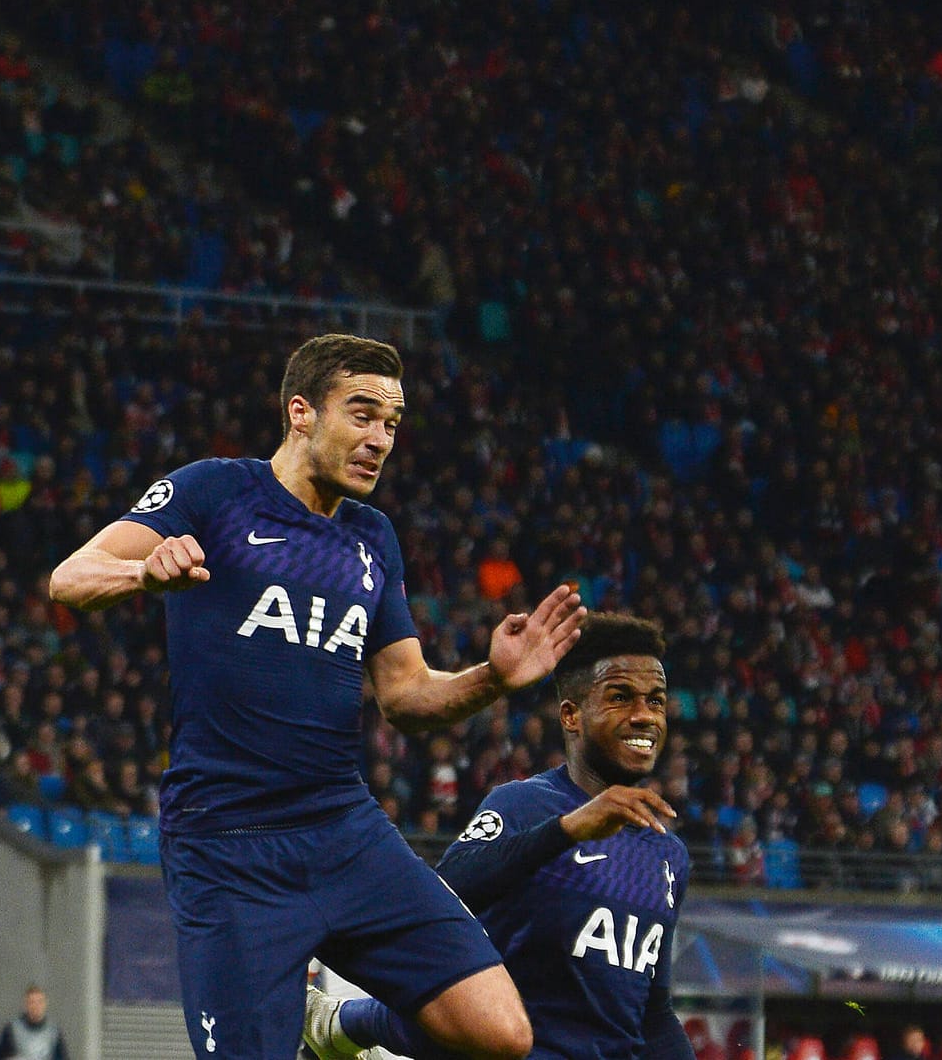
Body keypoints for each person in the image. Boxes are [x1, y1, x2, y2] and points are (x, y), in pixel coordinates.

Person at [49, 334, 587, 1060]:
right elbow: (71, 578)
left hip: (343, 828)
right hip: (228, 844)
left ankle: (336, 1028)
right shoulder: (215, 490)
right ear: (300, 411)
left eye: (392, 425)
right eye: (362, 414)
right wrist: (143, 573)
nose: (380, 440)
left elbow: (405, 695)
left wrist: (491, 677)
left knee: (500, 1033)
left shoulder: (373, 538)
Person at [303, 612, 693, 1060]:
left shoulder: (668, 855)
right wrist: (566, 831)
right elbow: (446, 889)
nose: (645, 716)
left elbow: (653, 1013)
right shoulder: (526, 805)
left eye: (656, 701)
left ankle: (346, 1029)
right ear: (572, 715)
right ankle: (344, 1024)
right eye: (621, 697)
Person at [0, 985, 67, 1060]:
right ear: (26, 1004)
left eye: (40, 1002)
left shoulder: (54, 1032)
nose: (36, 1006)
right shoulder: (11, 1030)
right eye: (32, 1002)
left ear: (45, 1004)